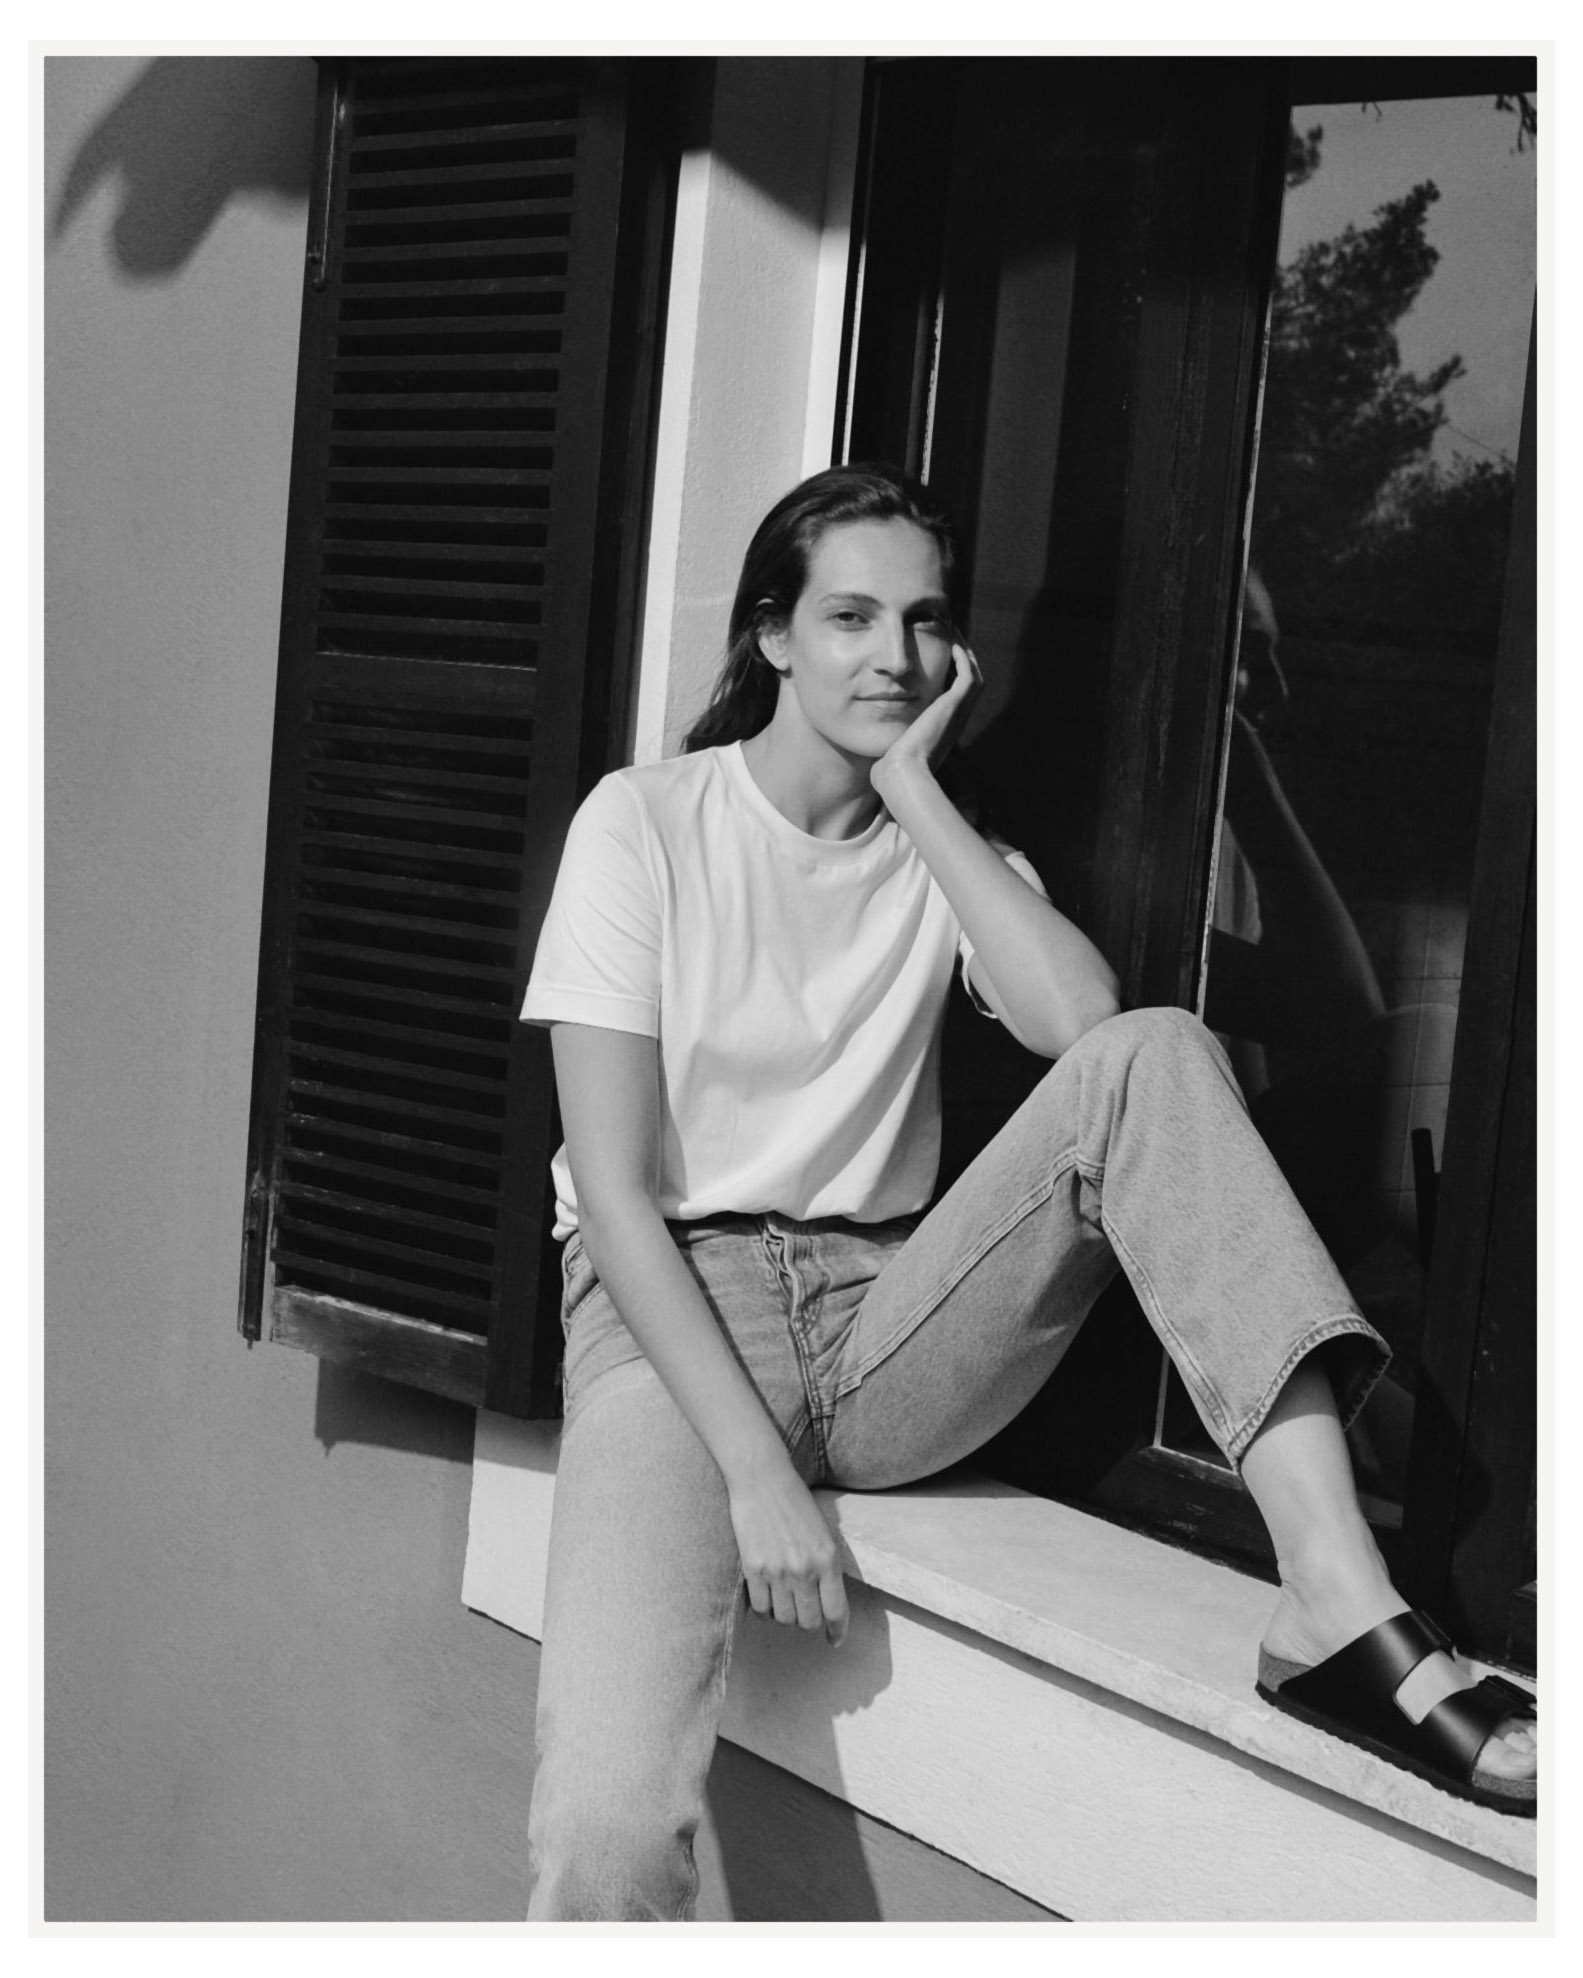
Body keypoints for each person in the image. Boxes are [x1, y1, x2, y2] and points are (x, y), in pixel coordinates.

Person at [518, 464, 1536, 1920]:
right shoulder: (644, 824)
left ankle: (1336, 1594)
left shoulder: (953, 854)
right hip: (671, 1324)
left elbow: (1093, 1029)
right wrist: (755, 1472)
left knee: (1155, 1053)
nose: (894, 654)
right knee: (609, 1828)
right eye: (851, 616)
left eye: (926, 620)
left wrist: (914, 793)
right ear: (773, 635)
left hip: (883, 1319)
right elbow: (615, 1202)